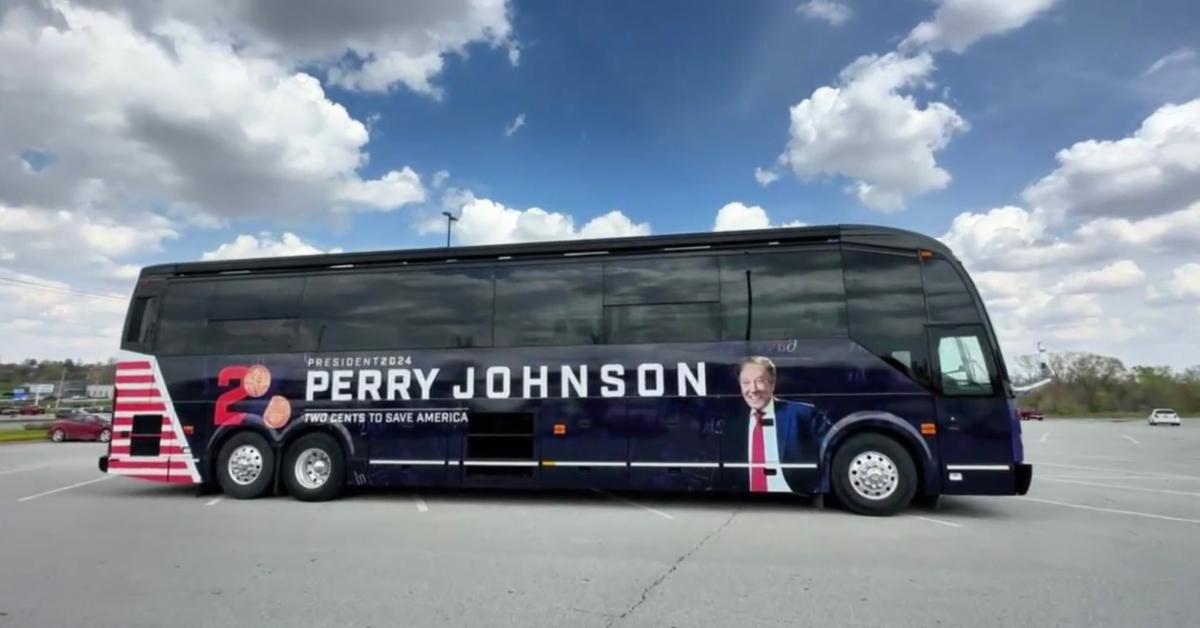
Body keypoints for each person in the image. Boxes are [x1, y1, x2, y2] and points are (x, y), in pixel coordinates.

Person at [736, 356, 828, 493]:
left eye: (760, 381)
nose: (753, 389)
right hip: (749, 504)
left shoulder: (803, 414)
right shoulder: (733, 422)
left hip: (797, 498)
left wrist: (818, 492)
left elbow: (831, 457)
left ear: (772, 384)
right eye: (746, 383)